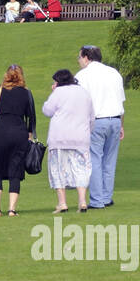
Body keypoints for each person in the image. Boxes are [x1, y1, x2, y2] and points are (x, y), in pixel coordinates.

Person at [0, 64, 36, 217]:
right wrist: (30, 133)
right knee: (16, 170)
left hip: (1, 132)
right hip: (19, 133)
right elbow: (31, 116)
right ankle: (12, 209)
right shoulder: (26, 93)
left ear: (6, 75)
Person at [76, 44, 125, 210]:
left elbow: (80, 103)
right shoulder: (114, 73)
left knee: (94, 160)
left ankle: (97, 200)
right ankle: (106, 196)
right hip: (115, 119)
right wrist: (121, 125)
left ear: (86, 58)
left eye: (80, 57)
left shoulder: (82, 76)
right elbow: (121, 101)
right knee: (109, 161)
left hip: (96, 121)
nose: (79, 61)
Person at [41, 68, 95, 212]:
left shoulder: (58, 92)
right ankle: (82, 201)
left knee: (58, 170)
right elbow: (91, 117)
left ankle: (62, 203)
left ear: (58, 82)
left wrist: (53, 92)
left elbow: (47, 110)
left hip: (59, 138)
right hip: (80, 138)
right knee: (81, 169)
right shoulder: (84, 92)